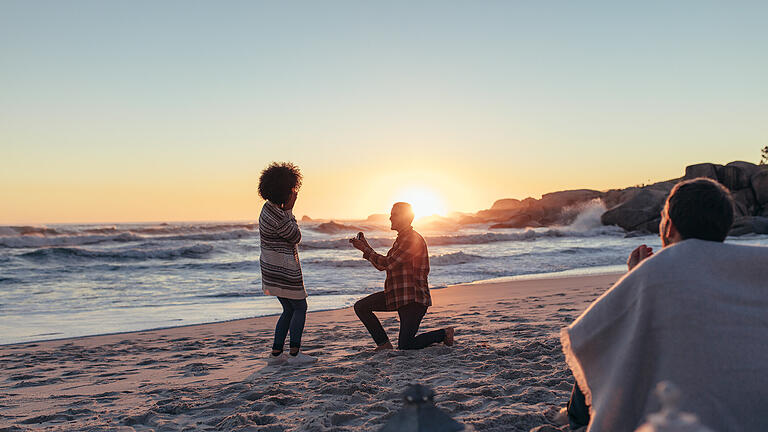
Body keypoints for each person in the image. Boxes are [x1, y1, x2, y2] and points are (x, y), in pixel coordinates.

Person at [559, 177, 768, 431]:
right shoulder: (757, 264)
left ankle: (574, 421)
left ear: (668, 228)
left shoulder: (657, 272)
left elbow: (591, 336)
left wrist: (635, 278)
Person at [350, 202, 455, 351]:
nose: (390, 218)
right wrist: (366, 248)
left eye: (394, 215)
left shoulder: (411, 239)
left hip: (413, 299)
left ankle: (444, 333)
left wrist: (365, 250)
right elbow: (383, 265)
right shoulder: (401, 239)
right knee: (361, 307)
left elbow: (387, 264)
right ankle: (384, 344)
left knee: (406, 346)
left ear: (406, 218)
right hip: (397, 296)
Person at [258, 162, 316, 366]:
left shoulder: (267, 208)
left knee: (288, 309)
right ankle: (294, 354)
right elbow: (295, 236)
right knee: (300, 307)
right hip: (284, 269)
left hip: (271, 268)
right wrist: (290, 210)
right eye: (292, 189)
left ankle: (275, 354)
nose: (294, 193)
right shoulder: (279, 215)